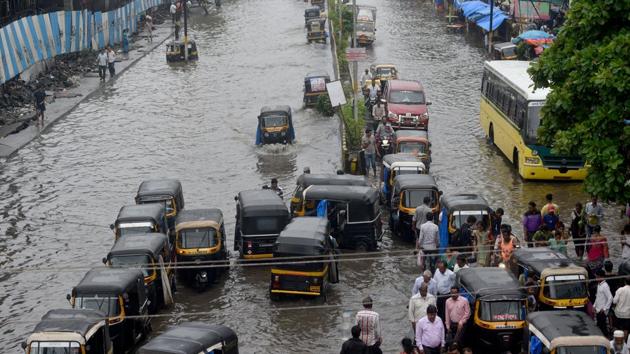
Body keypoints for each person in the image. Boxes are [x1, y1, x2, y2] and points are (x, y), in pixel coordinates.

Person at [594, 269, 612, 338]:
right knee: (599, 326)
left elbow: (610, 298)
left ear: (601, 277)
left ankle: (606, 339)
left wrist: (604, 308)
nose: (596, 278)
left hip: (602, 311)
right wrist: (594, 305)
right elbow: (598, 296)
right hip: (598, 310)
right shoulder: (599, 285)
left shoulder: (605, 286)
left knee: (603, 327)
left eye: (597, 277)